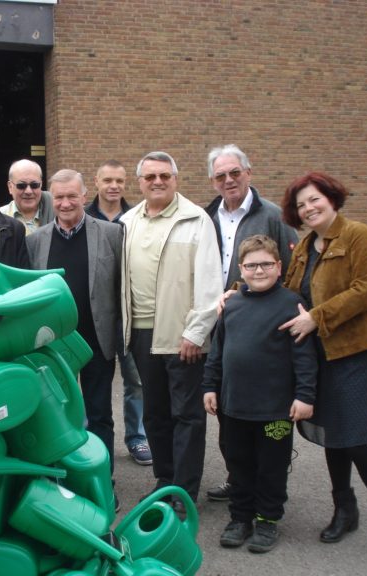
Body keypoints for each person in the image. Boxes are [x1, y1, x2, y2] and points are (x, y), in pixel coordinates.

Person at [278, 172, 367, 570]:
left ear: (331, 198)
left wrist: (316, 318)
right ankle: (345, 509)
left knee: (355, 438)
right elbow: (289, 289)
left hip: (356, 352)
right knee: (332, 436)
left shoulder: (358, 235)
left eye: (315, 199)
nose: (309, 207)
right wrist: (241, 292)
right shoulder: (305, 245)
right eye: (302, 204)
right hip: (318, 355)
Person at [120, 151, 222, 513]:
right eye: (150, 177)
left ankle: (184, 491)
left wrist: (196, 332)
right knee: (155, 414)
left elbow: (211, 282)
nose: (157, 182)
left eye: (164, 175)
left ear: (176, 179)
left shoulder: (196, 220)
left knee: (187, 416)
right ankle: (165, 481)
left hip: (181, 335)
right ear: (140, 183)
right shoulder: (128, 221)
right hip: (141, 334)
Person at [203, 235, 316, 554]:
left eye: (267, 264)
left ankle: (267, 519)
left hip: (275, 411)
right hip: (234, 407)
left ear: (279, 267)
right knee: (238, 464)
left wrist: (305, 395)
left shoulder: (290, 305)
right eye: (251, 265)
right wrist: (210, 387)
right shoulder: (232, 304)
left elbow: (304, 356)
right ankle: (240, 518)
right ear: (241, 269)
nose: (259, 270)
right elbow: (217, 351)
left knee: (271, 466)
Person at [203, 144, 299, 502]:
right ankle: (238, 478)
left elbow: (293, 268)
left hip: (265, 327)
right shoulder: (206, 217)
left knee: (268, 411)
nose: (229, 180)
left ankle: (267, 483)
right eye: (220, 176)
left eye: (234, 173)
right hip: (224, 323)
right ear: (213, 181)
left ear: (248, 172)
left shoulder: (273, 216)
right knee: (230, 411)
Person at [26, 169, 122, 510]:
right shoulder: (36, 240)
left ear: (84, 196)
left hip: (96, 341)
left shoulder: (112, 234)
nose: (66, 203)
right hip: (53, 347)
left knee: (100, 416)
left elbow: (118, 290)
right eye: (59, 197)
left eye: (72, 196)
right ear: (51, 198)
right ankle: (65, 481)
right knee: (58, 417)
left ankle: (102, 482)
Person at [85, 159, 151, 467]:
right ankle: (87, 434)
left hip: (128, 311)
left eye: (119, 181)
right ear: (96, 182)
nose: (113, 186)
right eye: (107, 180)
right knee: (89, 379)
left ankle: (136, 437)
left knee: (135, 377)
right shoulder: (82, 216)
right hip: (94, 313)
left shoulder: (138, 218)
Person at [0, 159, 54, 234]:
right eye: (21, 185)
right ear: (10, 187)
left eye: (34, 185)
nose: (28, 191)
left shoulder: (58, 213)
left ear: (41, 185)